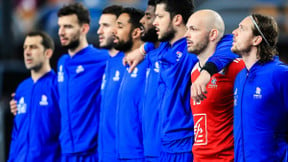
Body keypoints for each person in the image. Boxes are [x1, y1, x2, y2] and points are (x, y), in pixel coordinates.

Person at [152, 0, 238, 161]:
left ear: (176, 19)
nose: (154, 22)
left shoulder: (194, 50)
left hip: (185, 145)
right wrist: (143, 49)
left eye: (159, 16)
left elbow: (227, 42)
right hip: (164, 145)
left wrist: (207, 71)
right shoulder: (164, 49)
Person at [185, 10, 245, 161]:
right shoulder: (194, 71)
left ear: (212, 35)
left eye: (193, 29)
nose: (187, 34)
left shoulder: (236, 68)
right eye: (187, 29)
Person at [56, 2, 109, 161]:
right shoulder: (62, 62)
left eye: (68, 27)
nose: (61, 32)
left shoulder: (102, 59)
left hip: (90, 152)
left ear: (84, 29)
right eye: (60, 26)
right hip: (65, 151)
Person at [232, 13, 288, 161]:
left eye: (242, 29)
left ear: (256, 39)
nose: (234, 32)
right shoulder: (240, 77)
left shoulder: (280, 74)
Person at [8, 31, 61, 162]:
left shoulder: (58, 86)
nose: (27, 52)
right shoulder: (22, 88)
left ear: (48, 53)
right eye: (25, 47)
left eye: (33, 47)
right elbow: (17, 132)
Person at [113, 7, 146, 161]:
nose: (114, 31)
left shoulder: (150, 63)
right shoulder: (121, 64)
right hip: (120, 153)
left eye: (120, 26)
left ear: (136, 32)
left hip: (141, 155)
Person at [96, 5, 125, 162]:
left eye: (105, 26)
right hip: (104, 153)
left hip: (125, 154)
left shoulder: (132, 62)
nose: (99, 31)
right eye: (100, 25)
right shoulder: (106, 62)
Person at [139, 0, 162, 161]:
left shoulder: (182, 53)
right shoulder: (151, 54)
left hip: (167, 150)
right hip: (146, 150)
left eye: (148, 16)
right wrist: (144, 48)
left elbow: (225, 42)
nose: (142, 21)